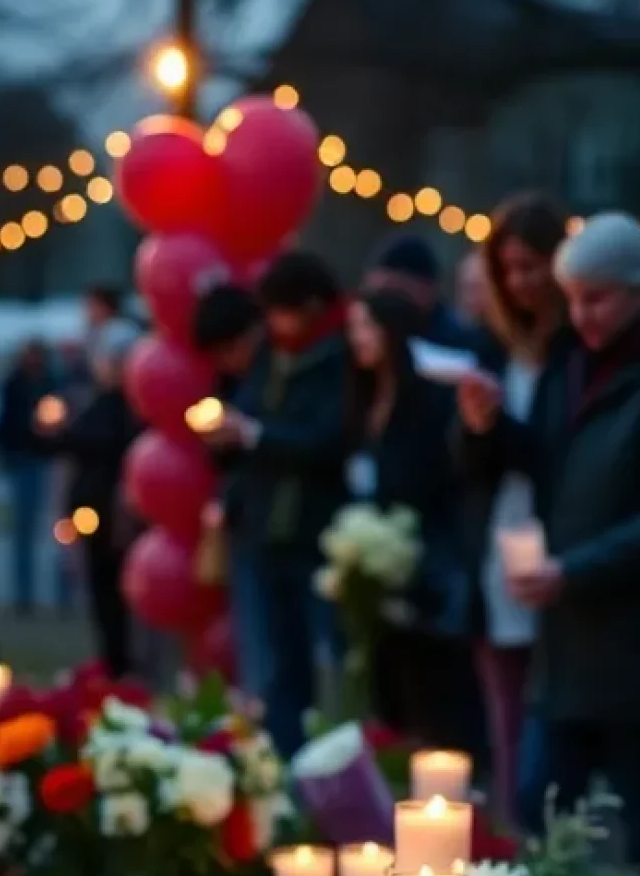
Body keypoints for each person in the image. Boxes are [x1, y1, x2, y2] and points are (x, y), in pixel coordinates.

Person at [470, 212, 640, 876]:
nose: (579, 313)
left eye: (597, 297)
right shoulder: (587, 361)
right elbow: (556, 463)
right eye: (574, 298)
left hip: (639, 641)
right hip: (573, 637)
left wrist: (573, 570)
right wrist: (491, 427)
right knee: (539, 807)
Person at [200, 252, 349, 755]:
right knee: (273, 672)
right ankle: (281, 763)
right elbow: (249, 425)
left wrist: (256, 435)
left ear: (308, 307)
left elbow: (327, 440)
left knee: (323, 666)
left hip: (314, 537)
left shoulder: (336, 359)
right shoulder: (268, 360)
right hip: (262, 535)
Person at [455, 194, 569, 828]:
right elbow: (469, 469)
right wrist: (476, 428)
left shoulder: (575, 353)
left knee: (547, 736)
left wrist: (501, 427)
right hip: (497, 546)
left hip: (558, 551)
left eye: (533, 266)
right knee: (505, 719)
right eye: (510, 271)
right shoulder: (494, 347)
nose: (522, 282)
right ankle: (514, 844)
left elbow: (559, 458)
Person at [344, 288, 476, 746]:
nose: (356, 338)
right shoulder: (364, 396)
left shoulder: (427, 399)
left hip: (426, 556)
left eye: (366, 327)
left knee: (431, 687)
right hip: (378, 560)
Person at [41, 320, 142, 676]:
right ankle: (112, 663)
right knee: (100, 593)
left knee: (119, 596)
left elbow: (105, 445)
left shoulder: (131, 406)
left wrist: (68, 434)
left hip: (118, 515)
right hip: (93, 514)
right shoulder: (95, 400)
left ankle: (125, 665)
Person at [0, 339, 61, 614]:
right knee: (23, 530)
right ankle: (25, 596)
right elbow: (5, 423)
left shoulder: (52, 381)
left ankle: (61, 598)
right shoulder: (15, 383)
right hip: (24, 459)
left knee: (60, 529)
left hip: (48, 459)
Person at [362, 233, 477, 350]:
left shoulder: (460, 343)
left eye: (394, 290)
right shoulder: (367, 334)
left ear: (426, 288)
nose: (387, 303)